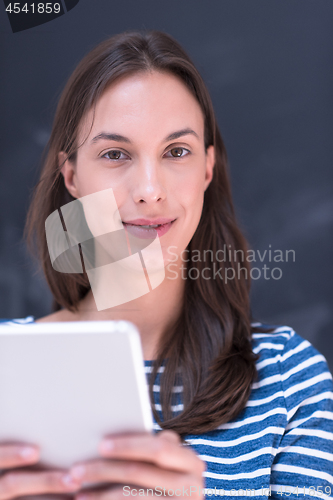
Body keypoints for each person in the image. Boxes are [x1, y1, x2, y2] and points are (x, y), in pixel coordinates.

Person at [1, 30, 333, 500]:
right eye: (115, 154)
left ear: (206, 169)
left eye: (176, 152)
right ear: (71, 176)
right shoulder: (6, 366)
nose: (149, 189)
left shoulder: (288, 379)